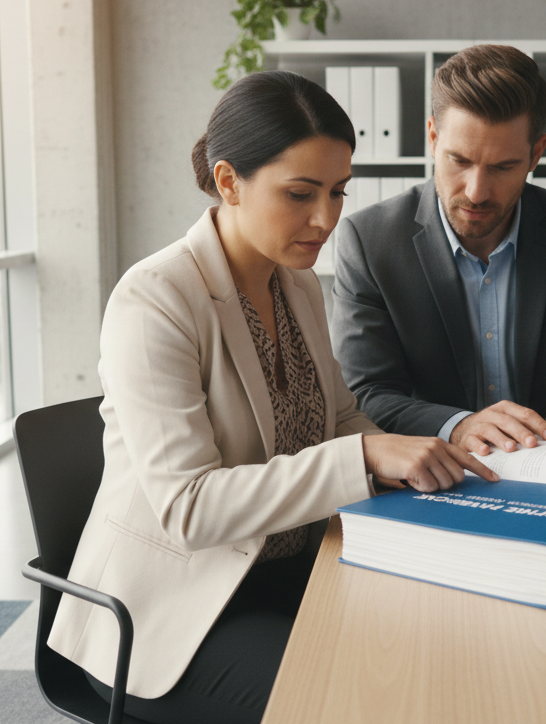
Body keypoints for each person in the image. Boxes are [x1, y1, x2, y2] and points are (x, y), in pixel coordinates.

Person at [48, 70, 497, 724]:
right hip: (178, 610)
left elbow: (339, 417)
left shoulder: (299, 284)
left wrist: (429, 461)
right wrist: (366, 457)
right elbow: (190, 508)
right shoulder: (155, 299)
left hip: (294, 568)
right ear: (229, 182)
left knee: (446, 652)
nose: (327, 219)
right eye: (299, 193)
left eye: (338, 192)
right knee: (355, 704)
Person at [330, 45, 546, 457]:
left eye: (502, 167)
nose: (476, 192)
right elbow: (365, 395)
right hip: (434, 475)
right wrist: (458, 427)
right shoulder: (368, 241)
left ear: (536, 153)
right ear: (433, 137)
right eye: (459, 160)